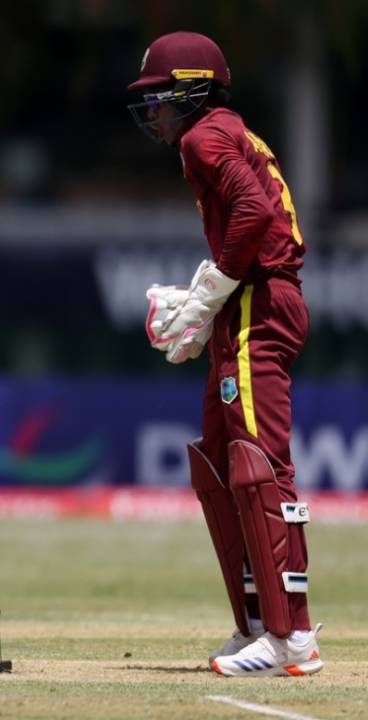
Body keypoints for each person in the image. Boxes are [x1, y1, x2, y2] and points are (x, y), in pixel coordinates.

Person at [130, 31, 321, 677]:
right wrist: (210, 294)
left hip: (257, 306)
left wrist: (209, 292)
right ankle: (257, 626)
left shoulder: (202, 136)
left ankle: (292, 640)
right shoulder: (223, 130)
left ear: (191, 90)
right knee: (218, 463)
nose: (153, 112)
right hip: (250, 300)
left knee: (258, 463)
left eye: (159, 98)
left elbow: (254, 213)